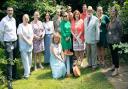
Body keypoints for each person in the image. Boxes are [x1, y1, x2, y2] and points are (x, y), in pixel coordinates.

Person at [0, 7, 18, 88]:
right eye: (9, 10)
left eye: (11, 10)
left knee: (14, 60)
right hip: (8, 43)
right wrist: (3, 43)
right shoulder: (3, 21)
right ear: (7, 11)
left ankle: (15, 75)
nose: (10, 12)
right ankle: (9, 81)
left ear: (13, 11)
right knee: (9, 62)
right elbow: (1, 33)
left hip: (15, 42)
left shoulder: (14, 19)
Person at [17, 14, 33, 79]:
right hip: (23, 45)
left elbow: (32, 34)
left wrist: (31, 41)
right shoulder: (20, 26)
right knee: (25, 60)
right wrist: (28, 42)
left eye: (27, 18)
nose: (26, 19)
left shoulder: (30, 25)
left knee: (30, 59)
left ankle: (28, 71)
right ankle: (26, 74)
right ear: (22, 19)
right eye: (24, 18)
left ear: (28, 19)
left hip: (30, 45)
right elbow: (21, 35)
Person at [107, 7, 122, 76]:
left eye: (113, 11)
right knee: (112, 54)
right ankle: (113, 65)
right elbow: (109, 30)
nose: (112, 12)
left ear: (116, 12)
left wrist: (117, 41)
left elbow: (120, 32)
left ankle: (117, 69)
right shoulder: (111, 20)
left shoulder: (118, 21)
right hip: (110, 41)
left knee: (115, 55)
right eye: (111, 11)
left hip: (115, 42)